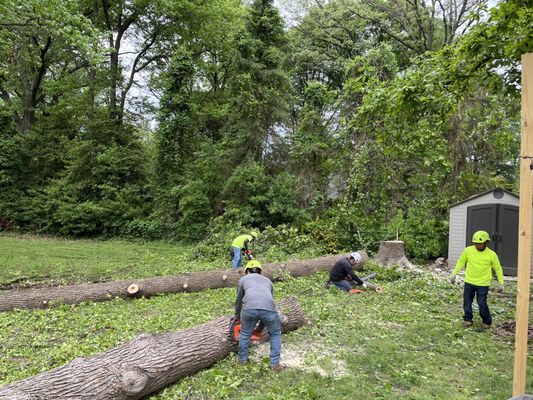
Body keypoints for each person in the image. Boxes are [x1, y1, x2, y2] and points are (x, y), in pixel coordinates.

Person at [234, 260, 284, 371]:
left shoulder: (243, 280)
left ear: (247, 271)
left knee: (245, 334)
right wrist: (260, 327)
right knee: (275, 333)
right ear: (260, 271)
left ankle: (242, 360)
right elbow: (268, 303)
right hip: (269, 310)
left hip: (249, 310)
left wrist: (237, 317)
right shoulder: (268, 281)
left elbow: (239, 301)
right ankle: (275, 364)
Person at [450, 230, 504, 329]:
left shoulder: (492, 255)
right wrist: (454, 274)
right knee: (467, 301)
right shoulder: (468, 251)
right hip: (469, 281)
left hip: (483, 283)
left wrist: (501, 283)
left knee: (481, 303)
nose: (477, 246)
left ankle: (487, 321)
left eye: (480, 244)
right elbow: (461, 262)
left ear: (486, 243)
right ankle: (467, 319)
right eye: (476, 244)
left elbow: (498, 268)